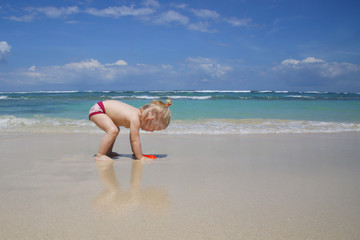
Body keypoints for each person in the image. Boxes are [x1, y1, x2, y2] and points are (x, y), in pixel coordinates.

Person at [89, 99, 172, 161]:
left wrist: (136, 154)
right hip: (99, 110)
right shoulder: (135, 118)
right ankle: (100, 155)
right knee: (113, 130)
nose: (151, 131)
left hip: (102, 109)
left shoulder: (137, 116)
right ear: (149, 120)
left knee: (115, 129)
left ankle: (108, 152)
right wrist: (140, 157)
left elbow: (132, 137)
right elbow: (134, 140)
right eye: (153, 129)